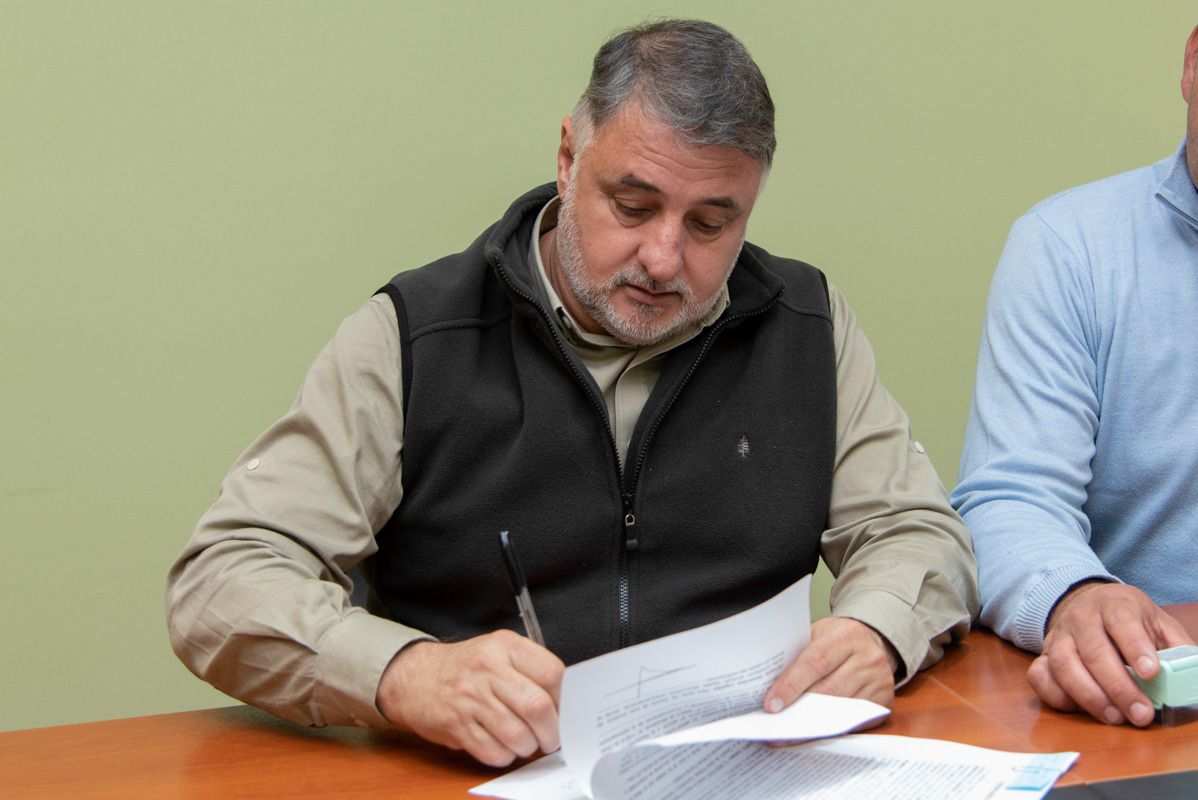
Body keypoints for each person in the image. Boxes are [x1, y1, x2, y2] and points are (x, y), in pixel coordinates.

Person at [167, 19, 977, 767]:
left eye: (709, 225)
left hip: (740, 769)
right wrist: (406, 674)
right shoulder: (415, 338)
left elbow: (916, 530)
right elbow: (221, 581)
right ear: (567, 158)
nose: (662, 258)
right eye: (633, 205)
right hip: (478, 776)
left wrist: (875, 631)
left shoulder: (806, 325)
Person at [953, 25, 1198, 730]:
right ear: (1192, 64)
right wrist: (1076, 595)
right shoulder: (1069, 248)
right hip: (1149, 707)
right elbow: (1008, 499)